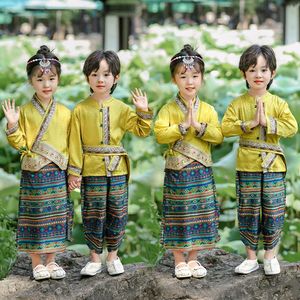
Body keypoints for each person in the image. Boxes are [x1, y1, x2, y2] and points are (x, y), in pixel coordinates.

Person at [68, 50, 153, 276]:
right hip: (91, 168)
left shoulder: (122, 108)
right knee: (92, 211)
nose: (100, 80)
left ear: (116, 78)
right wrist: (74, 172)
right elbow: (75, 143)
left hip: (117, 168)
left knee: (117, 210)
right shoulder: (79, 109)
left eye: (106, 75)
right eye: (95, 74)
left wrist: (142, 110)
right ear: (87, 77)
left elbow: (142, 131)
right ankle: (95, 257)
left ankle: (114, 255)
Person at [221, 44, 298, 275]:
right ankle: (251, 257)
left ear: (272, 73)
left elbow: (292, 127)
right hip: (247, 165)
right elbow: (225, 128)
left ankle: (271, 256)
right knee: (248, 209)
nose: (258, 75)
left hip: (273, 165)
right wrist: (249, 124)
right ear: (243, 72)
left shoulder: (279, 103)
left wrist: (268, 123)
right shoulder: (237, 103)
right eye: (252, 69)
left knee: (273, 209)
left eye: (264, 70)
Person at [2, 45, 72, 281]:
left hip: (57, 172)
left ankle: (51, 260)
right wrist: (12, 125)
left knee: (56, 215)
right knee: (35, 217)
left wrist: (74, 173)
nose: (46, 84)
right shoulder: (22, 112)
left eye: (52, 79)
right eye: (40, 79)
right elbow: (20, 144)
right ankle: (36, 262)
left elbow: (73, 145)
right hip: (34, 172)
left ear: (58, 80)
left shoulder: (65, 112)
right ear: (31, 81)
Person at [154, 44, 223, 279]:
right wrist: (181, 127)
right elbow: (160, 134)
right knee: (178, 213)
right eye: (183, 76)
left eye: (194, 76)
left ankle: (193, 258)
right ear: (175, 79)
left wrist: (199, 127)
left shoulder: (209, 110)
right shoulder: (167, 109)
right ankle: (178, 259)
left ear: (202, 79)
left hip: (201, 169)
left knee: (200, 213)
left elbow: (219, 136)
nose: (189, 81)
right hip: (178, 170)